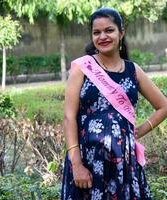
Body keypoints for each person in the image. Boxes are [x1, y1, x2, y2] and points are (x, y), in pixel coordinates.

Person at [61, 7, 167, 200]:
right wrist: (76, 164)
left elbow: (164, 106)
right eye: (96, 32)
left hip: (123, 162)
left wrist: (138, 131)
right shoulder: (82, 68)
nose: (103, 36)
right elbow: (69, 117)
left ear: (121, 32)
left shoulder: (134, 71)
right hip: (87, 161)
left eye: (109, 30)